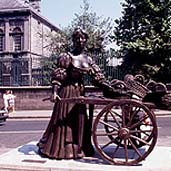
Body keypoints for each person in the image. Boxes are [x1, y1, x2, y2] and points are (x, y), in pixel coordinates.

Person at [37, 27, 115, 160]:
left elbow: (97, 77)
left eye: (82, 38)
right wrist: (54, 92)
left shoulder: (88, 59)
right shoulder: (66, 57)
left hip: (80, 92)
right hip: (67, 92)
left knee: (80, 120)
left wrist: (109, 87)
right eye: (77, 38)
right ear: (73, 40)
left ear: (86, 40)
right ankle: (63, 149)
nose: (80, 40)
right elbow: (58, 77)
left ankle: (80, 147)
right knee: (65, 121)